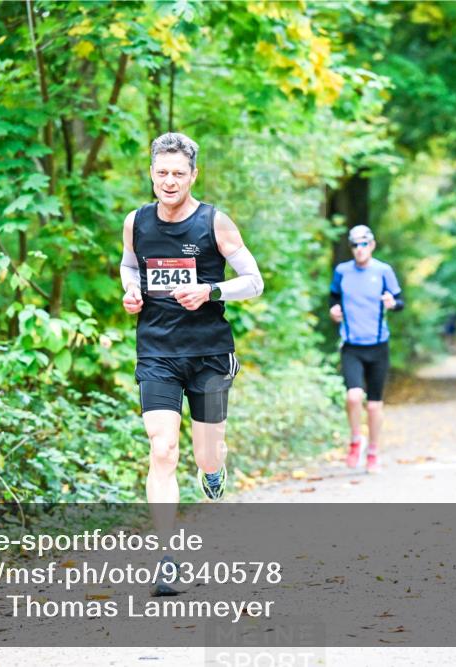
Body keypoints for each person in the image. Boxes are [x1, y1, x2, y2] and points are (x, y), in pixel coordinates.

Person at [119, 132, 263, 594]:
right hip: (158, 350)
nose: (169, 181)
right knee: (162, 449)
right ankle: (167, 559)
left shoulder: (215, 223)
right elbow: (129, 265)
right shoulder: (136, 222)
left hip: (209, 354)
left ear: (193, 175)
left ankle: (213, 470)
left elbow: (254, 282)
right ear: (151, 173)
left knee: (206, 452)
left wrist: (211, 290)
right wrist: (131, 290)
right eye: (162, 172)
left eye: (178, 173)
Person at [329, 225, 404, 473]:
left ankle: (373, 451)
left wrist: (393, 303)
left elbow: (400, 300)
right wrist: (334, 311)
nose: (359, 249)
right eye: (354, 245)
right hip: (351, 345)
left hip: (378, 345)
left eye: (363, 244)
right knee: (353, 396)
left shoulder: (383, 271)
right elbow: (333, 298)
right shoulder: (342, 272)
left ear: (372, 245)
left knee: (374, 405)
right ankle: (355, 441)